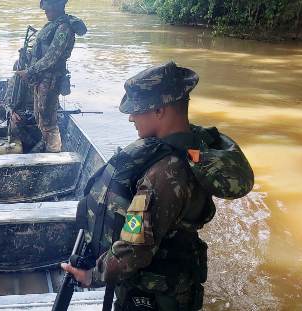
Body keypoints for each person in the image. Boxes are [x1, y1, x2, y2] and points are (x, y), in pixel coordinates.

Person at [61, 61, 254, 310]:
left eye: (136, 110)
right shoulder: (194, 146)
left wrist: (92, 275)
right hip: (175, 286)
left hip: (158, 297)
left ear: (160, 110)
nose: (131, 117)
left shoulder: (164, 172)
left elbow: (135, 248)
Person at [15, 0, 86, 152]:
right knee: (39, 114)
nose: (46, 13)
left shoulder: (64, 28)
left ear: (57, 8)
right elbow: (42, 51)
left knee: (47, 118)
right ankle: (46, 144)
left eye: (48, 10)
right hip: (42, 78)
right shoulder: (52, 25)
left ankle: (53, 151)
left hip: (50, 79)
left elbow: (52, 57)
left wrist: (30, 71)